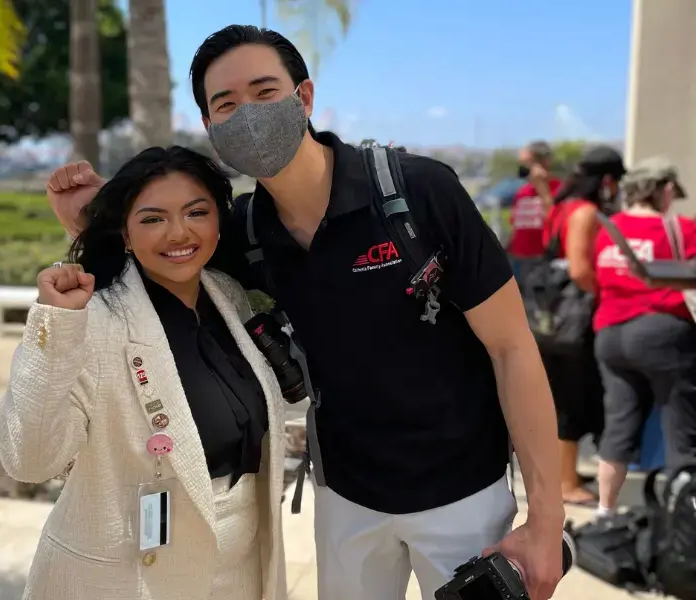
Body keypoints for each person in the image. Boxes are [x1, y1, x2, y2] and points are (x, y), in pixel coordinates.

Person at [48, 25, 566, 600]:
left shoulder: (418, 194)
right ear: (211, 129)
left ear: (305, 97)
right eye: (226, 104)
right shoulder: (243, 231)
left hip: (464, 498)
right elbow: (164, 256)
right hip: (344, 499)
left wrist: (547, 521)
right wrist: (92, 217)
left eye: (265, 91)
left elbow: (513, 348)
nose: (247, 113)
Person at [0, 146, 287, 600]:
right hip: (124, 578)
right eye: (152, 219)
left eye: (197, 212)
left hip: (238, 572)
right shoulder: (95, 320)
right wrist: (54, 327)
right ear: (126, 235)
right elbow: (30, 460)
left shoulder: (228, 297)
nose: (178, 233)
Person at [591, 156, 696, 516]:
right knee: (681, 428)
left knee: (618, 426)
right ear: (664, 189)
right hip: (662, 333)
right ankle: (683, 519)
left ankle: (605, 511)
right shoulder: (681, 229)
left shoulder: (610, 228)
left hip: (609, 333)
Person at [539, 145, 626, 506]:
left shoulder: (560, 207)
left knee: (559, 398)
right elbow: (579, 269)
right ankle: (566, 484)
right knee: (573, 401)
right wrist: (604, 294)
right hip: (575, 321)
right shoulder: (585, 212)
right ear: (606, 180)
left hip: (550, 317)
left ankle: (565, 473)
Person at [507, 141, 563, 280]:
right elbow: (515, 226)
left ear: (544, 162)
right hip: (517, 259)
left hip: (542, 261)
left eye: (528, 163)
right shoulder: (522, 192)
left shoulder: (558, 189)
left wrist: (542, 188)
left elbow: (555, 220)